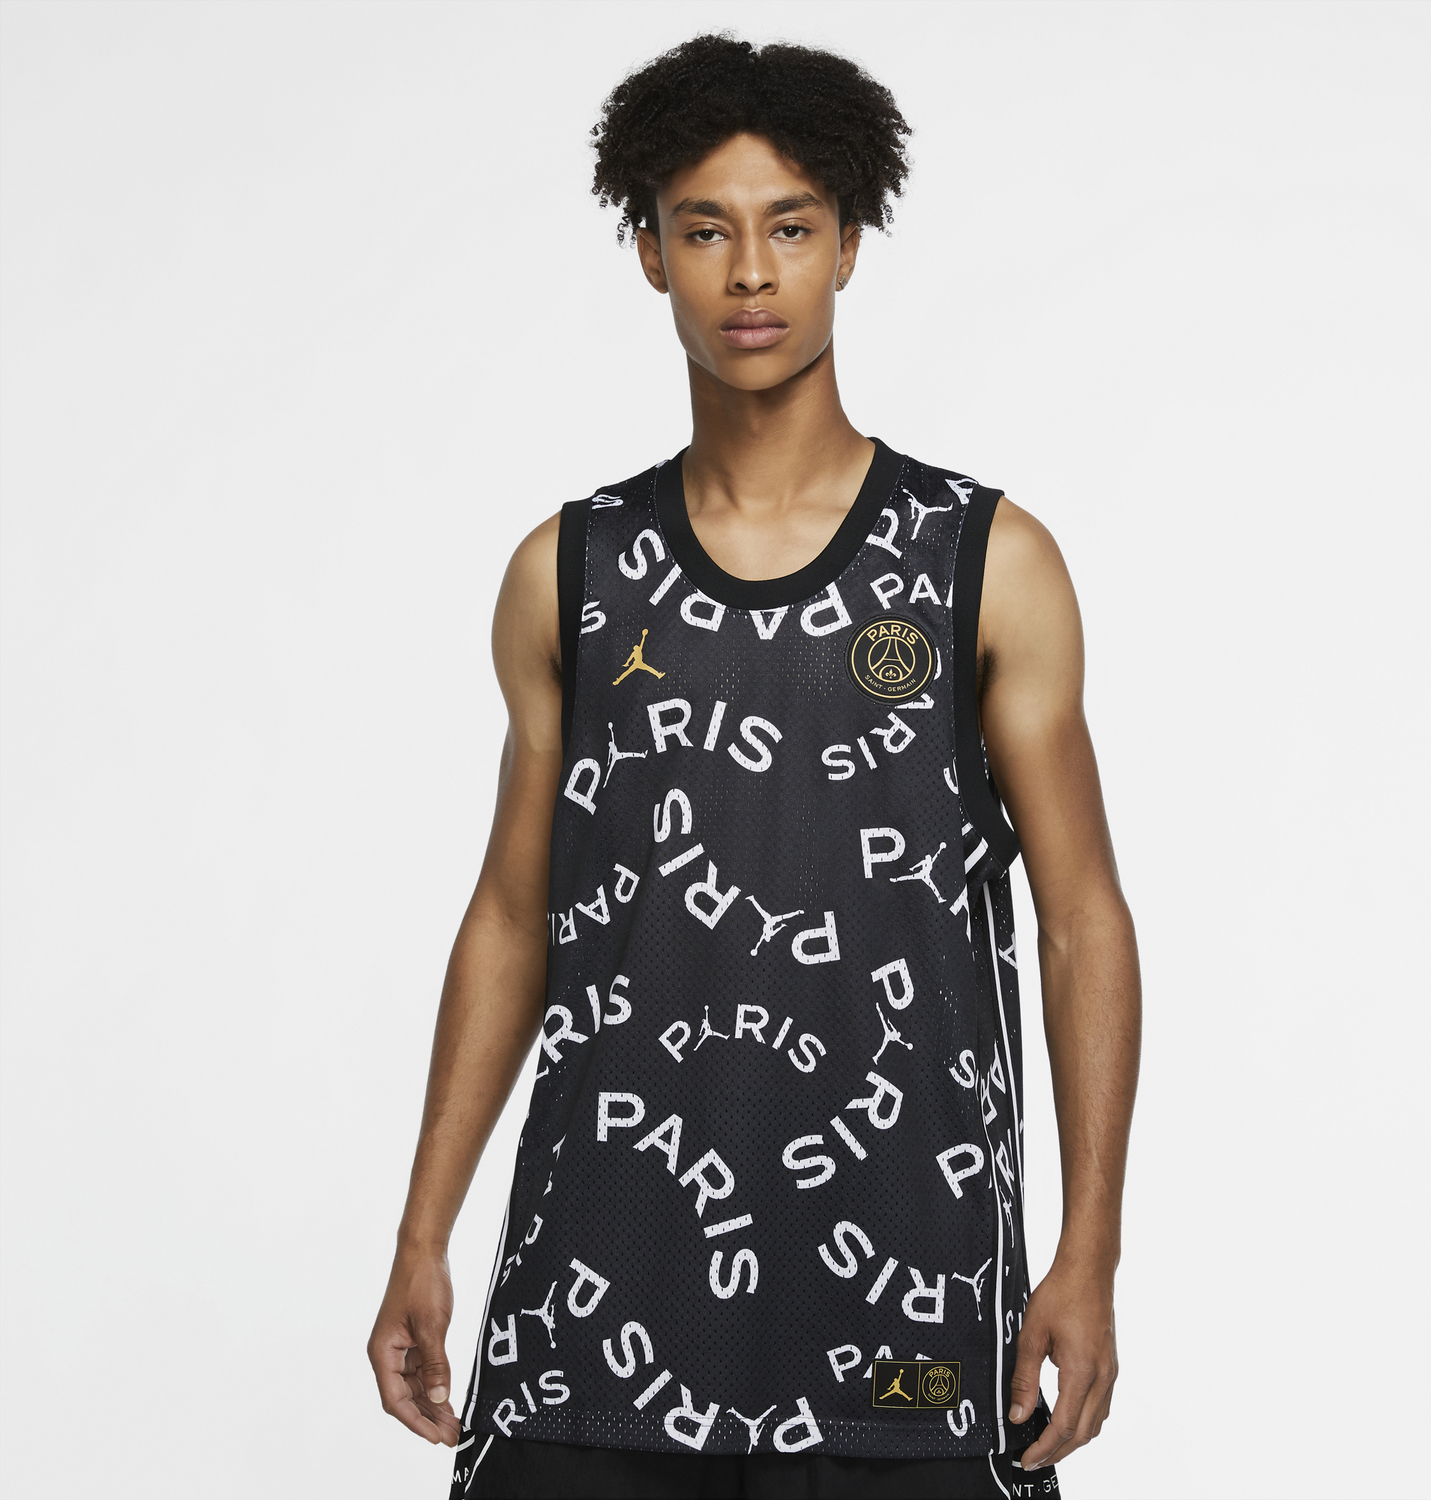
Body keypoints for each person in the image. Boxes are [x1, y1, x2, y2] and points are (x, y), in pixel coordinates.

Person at [367, 32, 1141, 1500]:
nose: (749, 274)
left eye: (789, 228)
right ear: (650, 254)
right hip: (597, 1298)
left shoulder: (985, 563)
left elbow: (1082, 917)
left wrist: (1087, 1247)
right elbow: (515, 915)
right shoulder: (570, 573)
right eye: (705, 230)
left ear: (847, 247)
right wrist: (424, 1233)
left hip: (909, 1298)